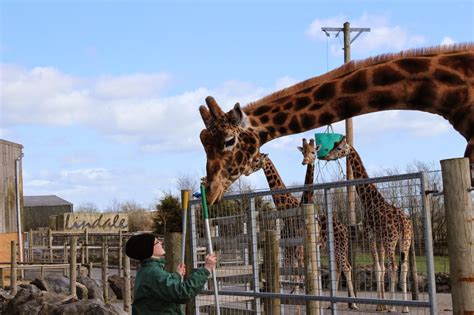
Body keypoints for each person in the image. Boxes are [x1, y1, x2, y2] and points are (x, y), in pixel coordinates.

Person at [125, 233, 217, 315]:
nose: (161, 242)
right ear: (148, 249)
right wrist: (207, 269)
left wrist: (176, 275)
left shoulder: (147, 271)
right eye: (157, 242)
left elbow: (163, 287)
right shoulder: (153, 273)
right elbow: (183, 293)